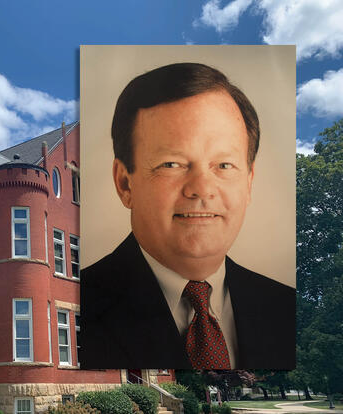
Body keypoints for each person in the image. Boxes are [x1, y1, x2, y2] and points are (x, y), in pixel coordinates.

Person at [79, 63, 295, 370]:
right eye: (172, 164)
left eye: (224, 165)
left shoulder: (285, 306)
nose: (202, 189)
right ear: (125, 183)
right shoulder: (81, 306)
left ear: (248, 182)